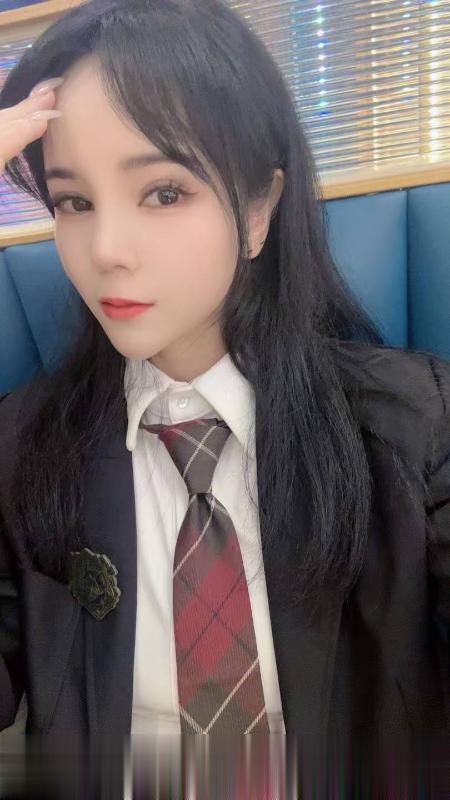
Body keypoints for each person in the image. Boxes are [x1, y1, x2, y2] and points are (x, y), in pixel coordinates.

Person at [0, 0, 448, 796]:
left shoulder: (417, 426)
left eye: (163, 192)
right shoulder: (20, 450)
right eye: (73, 202)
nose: (107, 250)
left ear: (256, 208)